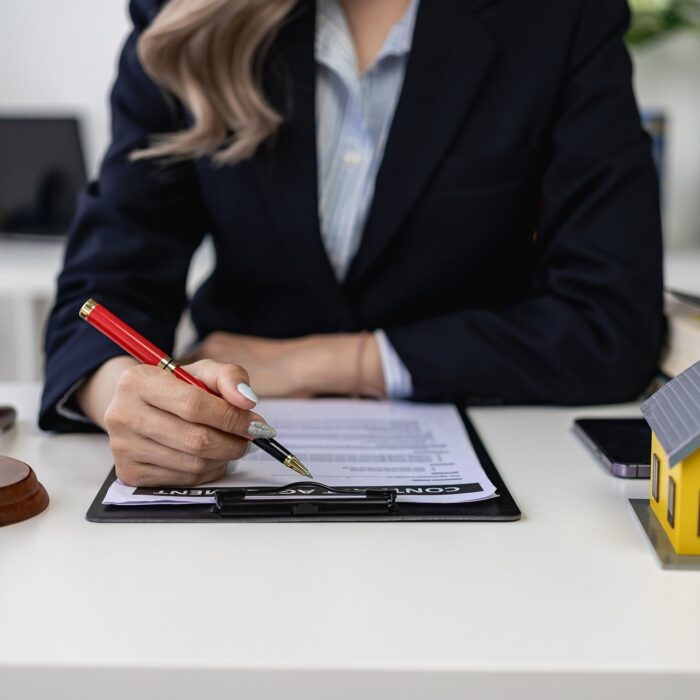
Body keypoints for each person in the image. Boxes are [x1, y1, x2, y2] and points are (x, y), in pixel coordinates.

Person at [40, 0, 664, 487]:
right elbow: (104, 289)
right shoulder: (185, 14)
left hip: (501, 454)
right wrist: (120, 392)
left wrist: (337, 361)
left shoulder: (560, 17)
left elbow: (609, 321)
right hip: (233, 466)